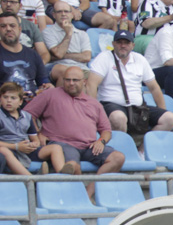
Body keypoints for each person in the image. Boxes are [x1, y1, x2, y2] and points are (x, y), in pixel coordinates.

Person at [24, 66, 124, 195]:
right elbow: (27, 115)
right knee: (71, 165)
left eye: (75, 80)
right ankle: (77, 196)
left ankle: (89, 192)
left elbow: (106, 130)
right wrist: (37, 134)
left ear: (84, 82)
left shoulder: (94, 103)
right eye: (67, 80)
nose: (71, 83)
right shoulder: (50, 94)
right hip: (62, 144)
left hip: (89, 146)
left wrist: (101, 141)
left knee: (118, 158)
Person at [87, 30, 173, 134]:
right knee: (118, 117)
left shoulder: (140, 59)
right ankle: (122, 147)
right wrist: (95, 113)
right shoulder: (104, 57)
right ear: (113, 44)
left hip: (137, 108)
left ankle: (142, 149)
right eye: (119, 42)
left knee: (170, 118)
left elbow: (154, 87)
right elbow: (91, 85)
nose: (123, 45)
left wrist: (162, 110)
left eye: (126, 43)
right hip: (111, 105)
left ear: (133, 45)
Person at [0, 82, 64, 175]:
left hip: (26, 149)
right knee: (3, 150)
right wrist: (17, 147)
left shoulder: (27, 116)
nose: (9, 101)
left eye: (13, 98)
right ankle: (31, 179)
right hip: (9, 148)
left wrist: (34, 144)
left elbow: (35, 139)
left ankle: (62, 176)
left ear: (20, 101)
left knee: (56, 148)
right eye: (5, 97)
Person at [0, 11, 48, 98]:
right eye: (3, 26)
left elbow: (43, 82)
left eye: (12, 25)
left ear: (20, 29)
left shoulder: (33, 54)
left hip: (32, 104)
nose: (8, 29)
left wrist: (46, 87)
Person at [40, 1, 89, 82]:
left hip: (80, 68)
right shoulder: (47, 32)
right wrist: (69, 33)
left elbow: (86, 57)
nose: (63, 14)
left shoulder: (82, 34)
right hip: (57, 67)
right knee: (66, 72)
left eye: (66, 11)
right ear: (54, 15)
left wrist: (64, 56)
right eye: (59, 11)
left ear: (71, 14)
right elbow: (59, 54)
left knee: (92, 79)